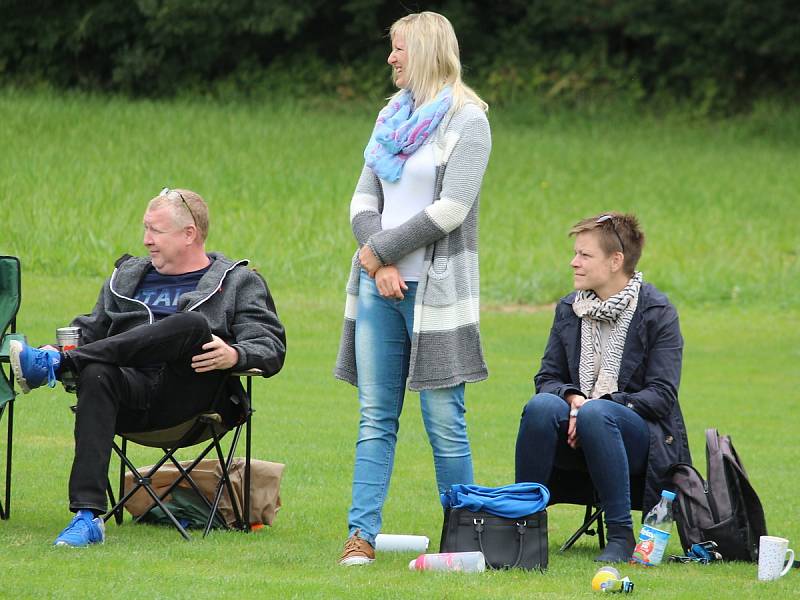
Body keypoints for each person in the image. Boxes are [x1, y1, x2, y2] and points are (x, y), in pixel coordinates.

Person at [10, 188, 286, 547]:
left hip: (190, 399)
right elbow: (91, 328)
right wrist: (57, 344)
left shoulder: (235, 281)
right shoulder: (127, 277)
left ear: (189, 234)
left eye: (156, 231)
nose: (146, 241)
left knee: (192, 325)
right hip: (127, 395)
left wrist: (235, 355)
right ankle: (88, 517)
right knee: (96, 373)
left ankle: (59, 365)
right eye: (145, 229)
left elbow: (271, 346)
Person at [333, 11, 492, 566]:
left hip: (437, 295)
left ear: (423, 50)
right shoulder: (389, 116)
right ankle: (360, 536)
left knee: (445, 420)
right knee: (376, 417)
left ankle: (466, 538)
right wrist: (377, 264)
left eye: (398, 49)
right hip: (381, 285)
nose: (390, 59)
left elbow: (451, 208)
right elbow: (362, 200)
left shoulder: (468, 120)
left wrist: (381, 252)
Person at [514, 212, 691, 563]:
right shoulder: (570, 307)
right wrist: (574, 399)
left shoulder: (657, 311)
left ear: (615, 261)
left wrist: (602, 405)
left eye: (584, 255)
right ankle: (524, 527)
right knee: (541, 406)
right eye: (576, 254)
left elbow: (661, 396)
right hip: (579, 429)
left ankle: (621, 537)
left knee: (597, 412)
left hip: (641, 438)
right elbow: (546, 378)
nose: (573, 262)